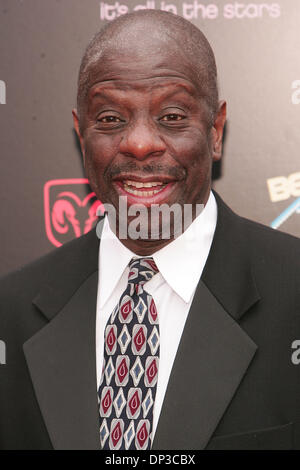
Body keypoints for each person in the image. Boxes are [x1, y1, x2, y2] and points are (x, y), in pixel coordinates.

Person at [0, 10, 299, 450]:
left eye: (172, 116)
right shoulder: (12, 311)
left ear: (215, 130)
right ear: (80, 132)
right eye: (110, 119)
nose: (139, 144)